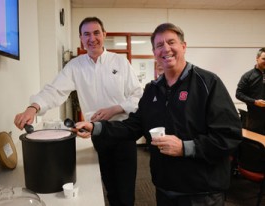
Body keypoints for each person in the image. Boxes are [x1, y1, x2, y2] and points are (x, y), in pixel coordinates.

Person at [75, 23, 243, 206]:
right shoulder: (152, 89)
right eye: (159, 45)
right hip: (164, 187)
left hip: (201, 193)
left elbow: (229, 136)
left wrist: (185, 147)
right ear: (154, 52)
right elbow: (134, 126)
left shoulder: (207, 83)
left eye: (171, 42)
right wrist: (95, 127)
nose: (166, 49)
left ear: (183, 46)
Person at [14, 17, 143, 206]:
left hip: (123, 132)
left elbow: (138, 96)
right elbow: (55, 90)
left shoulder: (120, 62)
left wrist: (115, 108)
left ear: (104, 34)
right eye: (86, 34)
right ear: (81, 39)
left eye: (96, 32)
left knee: (125, 192)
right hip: (98, 133)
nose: (92, 38)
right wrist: (33, 107)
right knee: (110, 188)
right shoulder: (75, 66)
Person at [236, 47, 265, 135]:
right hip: (254, 120)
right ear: (257, 58)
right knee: (256, 146)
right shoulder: (248, 76)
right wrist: (255, 102)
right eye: (264, 59)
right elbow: (239, 94)